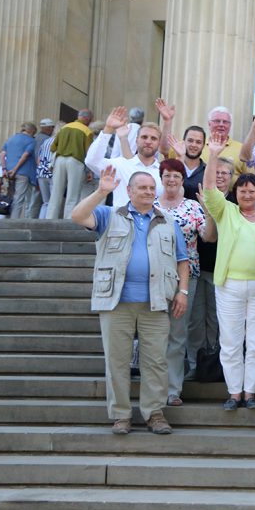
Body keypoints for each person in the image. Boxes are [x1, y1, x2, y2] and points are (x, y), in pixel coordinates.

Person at [71, 166, 188, 435]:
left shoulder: (168, 220)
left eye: (151, 188)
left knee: (156, 360)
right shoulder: (109, 215)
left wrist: (182, 292)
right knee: (117, 360)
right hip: (116, 301)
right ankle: (121, 415)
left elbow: (182, 260)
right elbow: (77, 216)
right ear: (129, 191)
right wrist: (101, 191)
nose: (148, 192)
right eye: (142, 188)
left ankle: (154, 413)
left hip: (156, 302)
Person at [203, 134, 255, 411]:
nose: (247, 194)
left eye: (252, 191)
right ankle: (234, 392)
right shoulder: (226, 212)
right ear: (237, 193)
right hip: (230, 286)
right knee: (231, 340)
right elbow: (210, 190)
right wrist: (213, 156)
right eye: (243, 190)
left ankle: (250, 392)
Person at [154, 159, 207, 406]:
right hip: (153, 277)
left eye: (176, 175)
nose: (172, 179)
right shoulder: (150, 205)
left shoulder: (192, 207)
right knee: (153, 333)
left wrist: (208, 210)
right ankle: (154, 387)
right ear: (161, 178)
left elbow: (209, 236)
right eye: (167, 175)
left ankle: (173, 389)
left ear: (182, 178)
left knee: (177, 334)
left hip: (186, 278)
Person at [187, 157, 234, 377]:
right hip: (199, 267)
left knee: (217, 321)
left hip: (225, 271)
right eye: (217, 173)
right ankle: (195, 365)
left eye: (225, 173)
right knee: (196, 321)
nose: (221, 177)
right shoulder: (195, 199)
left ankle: (216, 366)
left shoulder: (237, 200)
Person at [85, 107, 164, 208]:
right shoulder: (121, 164)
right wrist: (108, 129)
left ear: (159, 143)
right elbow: (92, 161)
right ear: (136, 140)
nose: (148, 141)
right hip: (122, 221)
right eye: (144, 137)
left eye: (153, 138)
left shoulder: (163, 172)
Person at [47, 108, 94, 219]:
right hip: (76, 161)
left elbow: (53, 147)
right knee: (73, 194)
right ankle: (69, 220)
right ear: (87, 118)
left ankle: (49, 219)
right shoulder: (87, 131)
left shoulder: (64, 127)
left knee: (55, 193)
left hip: (59, 160)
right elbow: (89, 153)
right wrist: (89, 170)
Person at [0, 122, 37, 218]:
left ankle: (6, 219)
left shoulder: (11, 139)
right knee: (19, 199)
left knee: (8, 197)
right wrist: (15, 169)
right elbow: (25, 156)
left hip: (7, 172)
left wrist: (4, 169)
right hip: (23, 173)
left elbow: (2, 154)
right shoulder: (31, 141)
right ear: (32, 131)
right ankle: (13, 222)